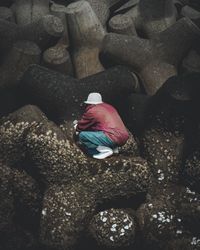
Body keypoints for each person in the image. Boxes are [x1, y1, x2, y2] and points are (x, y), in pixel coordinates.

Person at [74, 92, 129, 159]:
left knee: (82, 135)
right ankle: (114, 149)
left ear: (90, 103)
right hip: (123, 137)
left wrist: (77, 126)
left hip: (112, 137)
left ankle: (102, 151)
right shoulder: (110, 107)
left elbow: (81, 126)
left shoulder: (93, 110)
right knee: (101, 131)